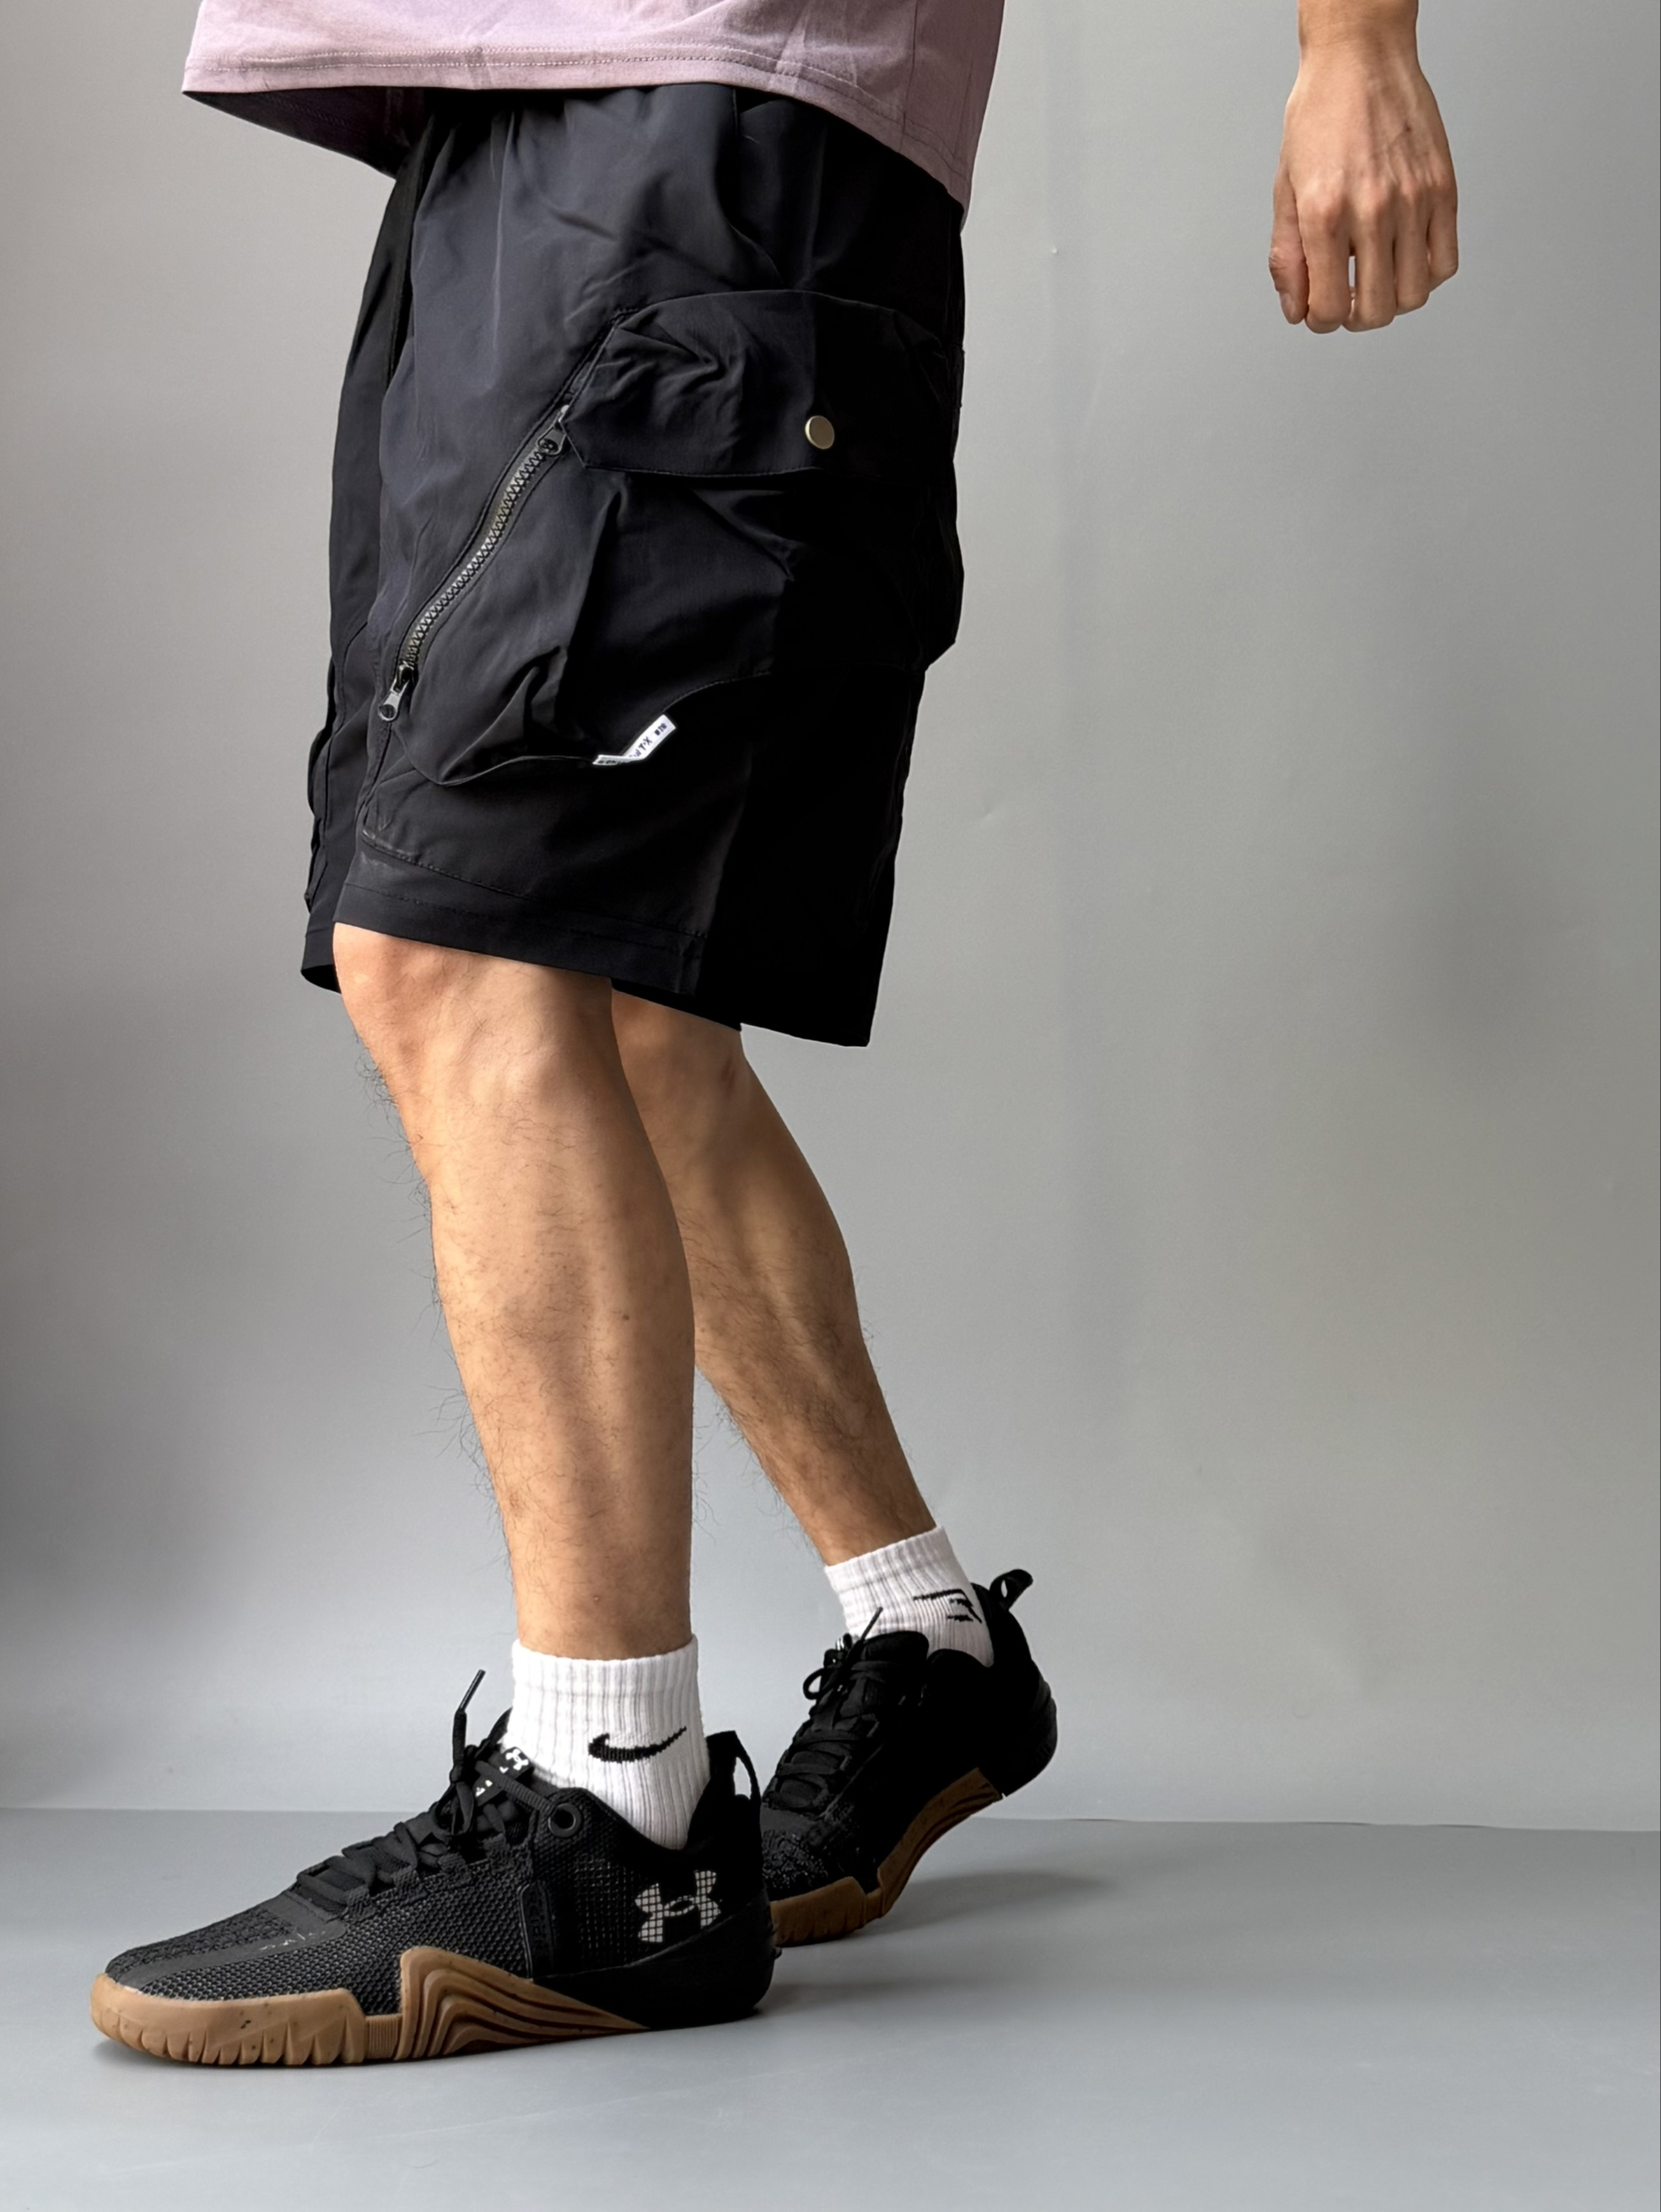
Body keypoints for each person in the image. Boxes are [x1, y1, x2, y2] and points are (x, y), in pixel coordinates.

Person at [90, 0, 1458, 2067]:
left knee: (467, 955)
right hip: (511, 134)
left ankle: (607, 1818)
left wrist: (1353, 43)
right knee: (624, 1005)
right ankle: (928, 1651)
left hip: (701, 130)